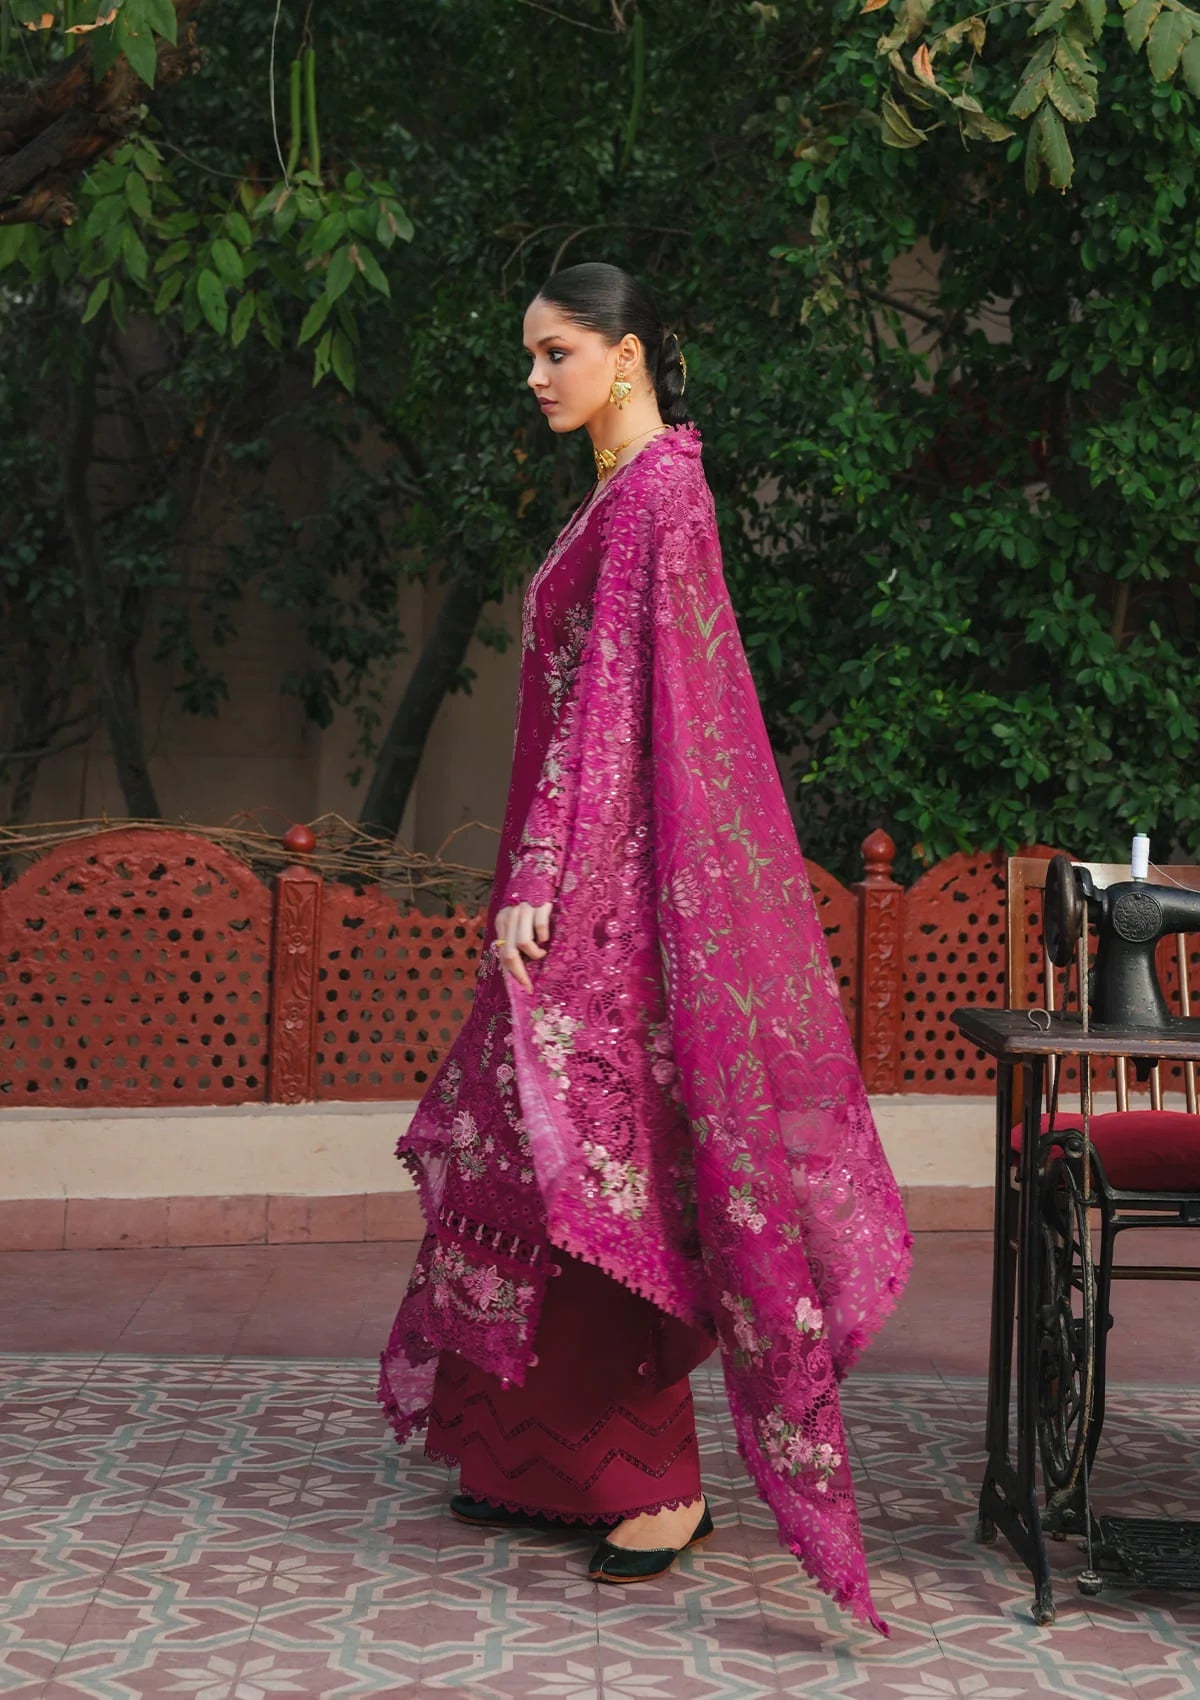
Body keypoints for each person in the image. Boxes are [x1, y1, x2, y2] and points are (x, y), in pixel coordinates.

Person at [379, 262, 911, 1630]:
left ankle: (659, 1487)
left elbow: (615, 707)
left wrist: (542, 877)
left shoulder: (662, 492)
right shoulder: (620, 492)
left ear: (626, 355)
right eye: (530, 355)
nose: (535, 378)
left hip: (611, 899)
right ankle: (534, 1458)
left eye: (555, 352)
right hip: (594, 879)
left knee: (603, 1172)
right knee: (537, 1159)